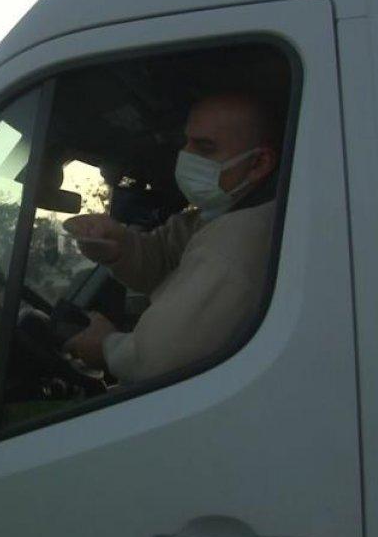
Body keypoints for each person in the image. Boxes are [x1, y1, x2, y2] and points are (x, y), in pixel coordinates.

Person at [63, 92, 281, 383]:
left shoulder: (240, 238)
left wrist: (105, 345)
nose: (186, 156)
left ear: (258, 164)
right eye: (186, 143)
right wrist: (121, 246)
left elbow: (155, 360)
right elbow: (165, 255)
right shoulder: (215, 214)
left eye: (204, 147)